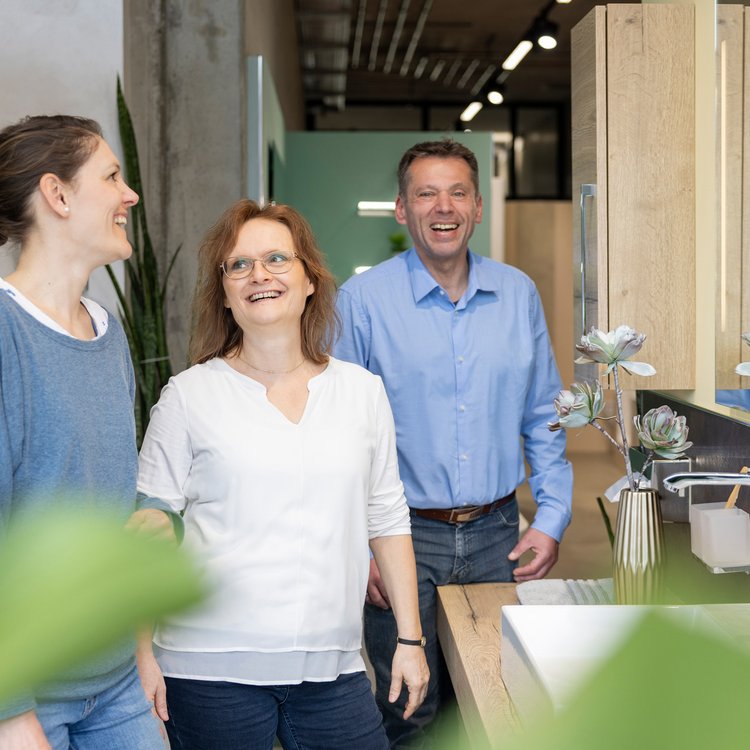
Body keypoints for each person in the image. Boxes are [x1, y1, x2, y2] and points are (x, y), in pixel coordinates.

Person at [135, 198, 429, 750]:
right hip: (206, 670)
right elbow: (150, 530)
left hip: (332, 667)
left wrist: (409, 640)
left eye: (276, 258)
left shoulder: (361, 392)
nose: (259, 275)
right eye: (238, 265)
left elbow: (387, 519)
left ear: (310, 279)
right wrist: (142, 654)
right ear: (224, 291)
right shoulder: (188, 396)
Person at [334, 139, 573, 747]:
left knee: (493, 704)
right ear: (402, 209)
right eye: (426, 193)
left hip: (498, 535)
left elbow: (543, 412)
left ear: (478, 206)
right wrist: (359, 550)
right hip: (400, 539)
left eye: (457, 192)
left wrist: (550, 516)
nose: (444, 207)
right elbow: (338, 438)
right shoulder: (362, 303)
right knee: (408, 712)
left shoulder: (517, 294)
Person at [0, 115, 175, 749]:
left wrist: (156, 515)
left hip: (117, 680)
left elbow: (105, 488)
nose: (130, 195)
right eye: (111, 176)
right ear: (58, 194)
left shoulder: (107, 330)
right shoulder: (5, 332)